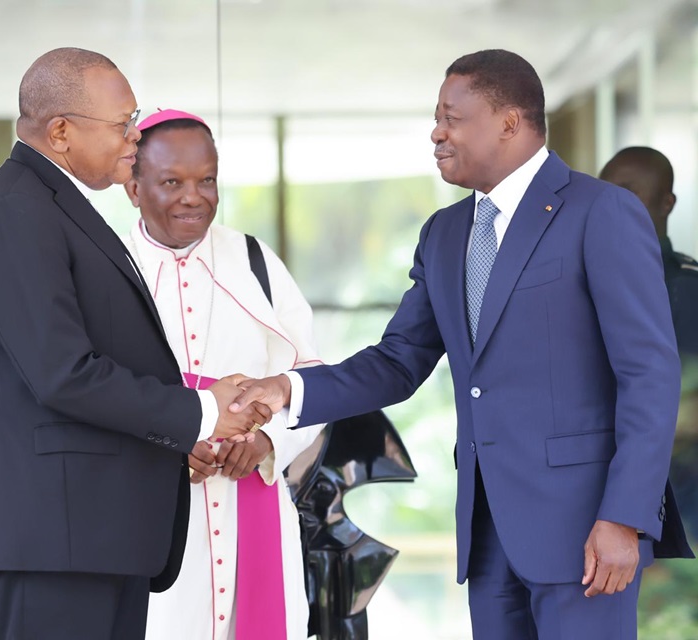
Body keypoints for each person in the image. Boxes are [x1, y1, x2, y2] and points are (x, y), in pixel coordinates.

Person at [231, 49, 689, 639]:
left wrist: (625, 517)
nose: (436, 131)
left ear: (509, 121)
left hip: (587, 532)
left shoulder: (600, 212)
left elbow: (649, 374)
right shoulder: (445, 233)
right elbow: (399, 362)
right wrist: (285, 389)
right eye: (436, 116)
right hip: (488, 535)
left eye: (452, 116)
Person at [0, 48, 268, 640]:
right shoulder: (19, 208)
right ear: (60, 131)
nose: (136, 135)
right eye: (122, 123)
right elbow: (63, 373)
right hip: (50, 542)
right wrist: (203, 410)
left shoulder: (57, 206)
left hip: (87, 536)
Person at [121, 108, 324, 640]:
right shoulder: (109, 266)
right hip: (152, 514)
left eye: (206, 179)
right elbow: (86, 391)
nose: (194, 196)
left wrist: (267, 441)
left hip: (250, 504)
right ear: (133, 187)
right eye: (172, 182)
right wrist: (168, 439)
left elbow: (311, 379)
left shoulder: (254, 260)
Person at [599, 147, 698, 541]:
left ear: (666, 202)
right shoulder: (588, 279)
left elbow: (683, 409)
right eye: (603, 193)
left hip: (672, 495)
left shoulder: (684, 288)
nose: (611, 205)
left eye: (626, 192)